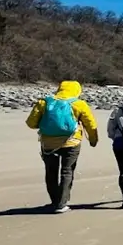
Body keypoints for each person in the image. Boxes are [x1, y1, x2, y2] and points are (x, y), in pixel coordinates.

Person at [25, 81, 99, 213]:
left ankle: (54, 201)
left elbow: (31, 123)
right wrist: (93, 140)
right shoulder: (79, 104)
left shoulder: (44, 102)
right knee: (67, 171)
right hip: (71, 142)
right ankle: (62, 203)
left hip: (48, 143)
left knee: (51, 172)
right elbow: (91, 125)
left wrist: (47, 126)